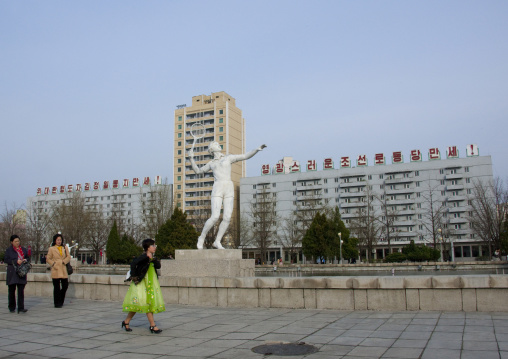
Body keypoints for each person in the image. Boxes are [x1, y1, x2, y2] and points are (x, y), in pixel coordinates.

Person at [189, 141, 266, 249]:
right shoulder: (211, 163)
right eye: (215, 144)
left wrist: (257, 150)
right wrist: (191, 158)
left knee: (227, 217)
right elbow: (198, 171)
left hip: (228, 187)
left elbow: (244, 156)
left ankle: (217, 241)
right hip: (218, 188)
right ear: (211, 150)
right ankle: (201, 237)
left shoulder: (228, 158)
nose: (218, 145)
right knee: (215, 216)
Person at [122, 238, 165, 334]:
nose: (154, 247)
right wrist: (133, 276)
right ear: (147, 247)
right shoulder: (143, 257)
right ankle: (153, 326)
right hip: (143, 283)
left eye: (155, 246)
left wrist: (154, 260)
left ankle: (126, 322)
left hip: (151, 282)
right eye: (153, 246)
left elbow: (158, 266)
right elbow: (133, 263)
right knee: (146, 303)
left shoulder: (152, 257)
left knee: (142, 305)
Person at [5, 235, 30, 313]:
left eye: (18, 241)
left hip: (21, 272)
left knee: (21, 291)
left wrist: (25, 259)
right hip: (12, 272)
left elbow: (28, 257)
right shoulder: (9, 250)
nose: (17, 243)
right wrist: (16, 261)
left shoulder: (23, 249)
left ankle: (21, 308)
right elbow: (6, 260)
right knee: (12, 290)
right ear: (12, 242)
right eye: (15, 241)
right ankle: (12, 307)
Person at [46, 233, 71, 308]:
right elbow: (48, 258)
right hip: (56, 269)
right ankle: (57, 303)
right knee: (56, 287)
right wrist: (53, 264)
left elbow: (68, 256)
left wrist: (64, 261)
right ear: (55, 241)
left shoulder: (64, 248)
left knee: (65, 285)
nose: (59, 241)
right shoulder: (51, 248)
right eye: (58, 240)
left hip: (63, 268)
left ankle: (61, 300)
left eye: (60, 240)